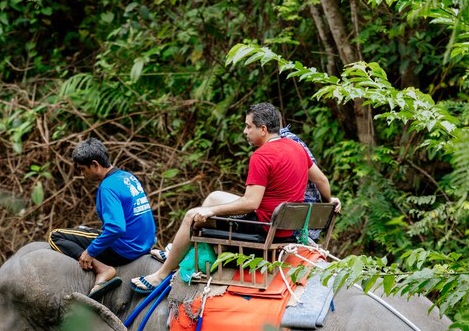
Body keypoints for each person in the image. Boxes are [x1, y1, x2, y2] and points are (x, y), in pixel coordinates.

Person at [130, 102, 338, 294]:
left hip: (264, 229)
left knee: (192, 216)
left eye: (248, 127)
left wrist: (211, 211)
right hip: (286, 227)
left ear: (263, 129)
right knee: (214, 197)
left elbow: (250, 203)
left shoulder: (262, 156)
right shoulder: (297, 148)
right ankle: (178, 250)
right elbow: (322, 180)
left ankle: (160, 274)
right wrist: (330, 202)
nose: (245, 131)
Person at [49, 138, 156, 299]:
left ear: (95, 164)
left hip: (125, 250)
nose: (82, 175)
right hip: (143, 245)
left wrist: (90, 252)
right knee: (84, 231)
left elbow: (116, 227)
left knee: (55, 235)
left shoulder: (108, 187)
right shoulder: (127, 177)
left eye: (83, 169)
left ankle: (102, 269)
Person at [279, 121, 340, 239]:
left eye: (249, 126)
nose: (245, 131)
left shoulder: (288, 143)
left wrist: (328, 203)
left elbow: (320, 180)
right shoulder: (288, 141)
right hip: (302, 216)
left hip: (296, 222)